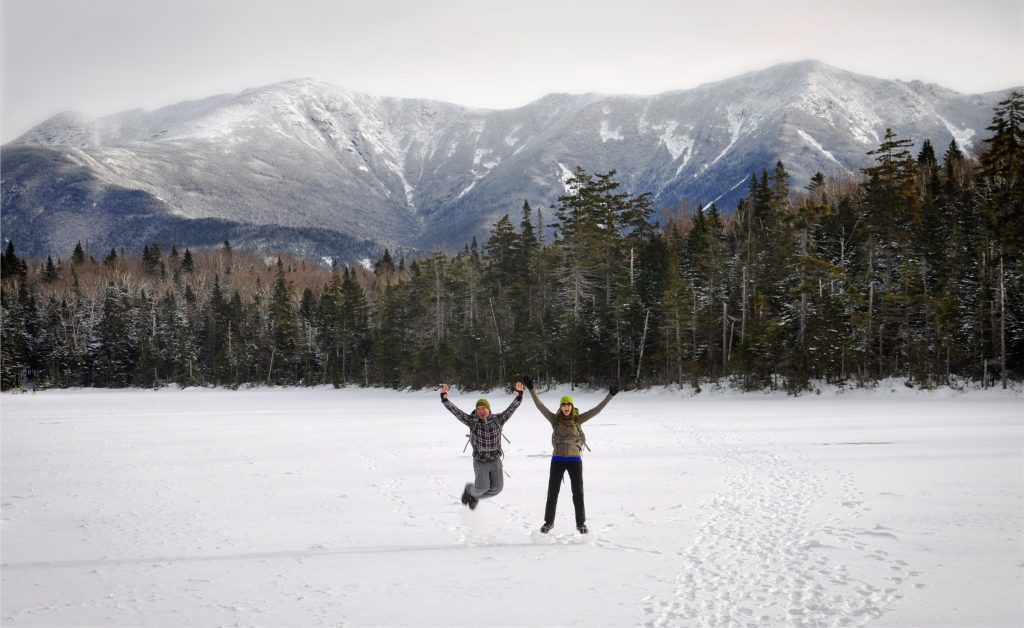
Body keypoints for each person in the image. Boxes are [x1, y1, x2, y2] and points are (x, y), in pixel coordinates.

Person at [523, 376, 618, 534]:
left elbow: (597, 410)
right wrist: (531, 388)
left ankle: (581, 523)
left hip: (575, 461)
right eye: (563, 404)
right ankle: (549, 522)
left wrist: (610, 395)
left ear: (572, 407)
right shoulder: (554, 420)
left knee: (578, 492)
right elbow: (540, 406)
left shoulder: (578, 420)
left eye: (568, 404)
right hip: (557, 460)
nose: (566, 407)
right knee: (552, 492)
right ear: (561, 407)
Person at [440, 381, 524, 509]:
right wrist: (445, 399)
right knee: (482, 487)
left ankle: (475, 496)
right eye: (478, 409)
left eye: (483, 408)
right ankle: (470, 490)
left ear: (488, 409)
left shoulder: (498, 419)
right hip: (480, 461)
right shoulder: (472, 421)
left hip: (495, 460)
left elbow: (511, 409)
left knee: (497, 489)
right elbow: (456, 412)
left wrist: (519, 396)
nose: (481, 411)